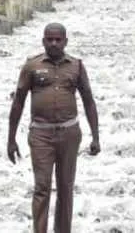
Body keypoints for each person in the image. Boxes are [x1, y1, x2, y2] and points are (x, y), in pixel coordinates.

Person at [7, 23, 101, 233]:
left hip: (69, 133)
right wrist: (11, 139)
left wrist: (95, 137)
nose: (54, 43)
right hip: (41, 134)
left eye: (58, 39)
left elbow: (89, 101)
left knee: (66, 188)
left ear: (66, 41)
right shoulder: (31, 66)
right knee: (42, 188)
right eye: (50, 39)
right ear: (43, 41)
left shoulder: (76, 66)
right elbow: (18, 102)